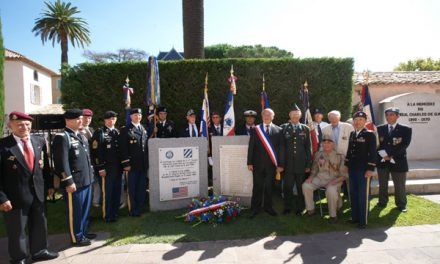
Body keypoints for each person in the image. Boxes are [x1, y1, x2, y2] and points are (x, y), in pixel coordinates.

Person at [0, 112, 59, 263]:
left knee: (40, 224)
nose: (23, 127)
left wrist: (50, 184)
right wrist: (2, 198)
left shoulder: (38, 140)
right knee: (17, 229)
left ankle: (40, 251)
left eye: (27, 124)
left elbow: (45, 167)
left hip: (38, 192)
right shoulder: (3, 145)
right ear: (10, 126)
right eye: (19, 124)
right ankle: (19, 257)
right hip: (15, 196)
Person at [53, 109, 95, 246]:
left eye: (81, 118)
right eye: (78, 119)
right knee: (75, 211)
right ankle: (76, 236)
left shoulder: (80, 135)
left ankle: (83, 231)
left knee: (85, 209)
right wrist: (68, 181)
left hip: (86, 179)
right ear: (68, 121)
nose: (81, 121)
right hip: (74, 182)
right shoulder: (62, 137)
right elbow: (61, 162)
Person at [247, 108, 284, 218]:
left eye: (269, 115)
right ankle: (255, 209)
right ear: (262, 116)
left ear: (273, 116)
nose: (266, 116)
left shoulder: (279, 130)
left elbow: (281, 149)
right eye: (264, 115)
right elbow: (251, 147)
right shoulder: (255, 129)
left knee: (269, 187)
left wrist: (281, 165)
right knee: (257, 187)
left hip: (272, 165)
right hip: (257, 164)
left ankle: (268, 208)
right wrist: (249, 162)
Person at [302, 135, 348, 223]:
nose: (326, 144)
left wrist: (333, 182)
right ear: (322, 144)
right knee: (306, 186)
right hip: (320, 178)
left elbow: (344, 175)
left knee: (330, 191)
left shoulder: (339, 156)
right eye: (324, 142)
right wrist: (310, 178)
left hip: (335, 179)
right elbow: (314, 169)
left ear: (333, 144)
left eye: (329, 142)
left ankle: (333, 215)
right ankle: (310, 209)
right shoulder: (318, 154)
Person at [376, 107, 412, 212]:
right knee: (382, 184)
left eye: (392, 114)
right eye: (387, 114)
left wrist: (391, 155)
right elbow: (377, 144)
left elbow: (404, 145)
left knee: (399, 185)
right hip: (382, 160)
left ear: (397, 116)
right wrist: (383, 155)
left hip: (398, 161)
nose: (388, 116)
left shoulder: (406, 129)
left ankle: (401, 204)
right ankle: (382, 202)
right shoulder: (379, 128)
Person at [345, 111, 377, 229]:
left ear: (365, 122)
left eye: (360, 120)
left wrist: (370, 168)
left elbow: (373, 153)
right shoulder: (353, 134)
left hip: (364, 170)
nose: (358, 122)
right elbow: (350, 150)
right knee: (353, 193)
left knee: (363, 195)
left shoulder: (370, 134)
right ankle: (355, 217)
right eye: (356, 120)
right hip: (352, 169)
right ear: (353, 121)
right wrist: (347, 163)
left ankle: (363, 220)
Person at [280, 105, 312, 216]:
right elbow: (281, 147)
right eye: (293, 114)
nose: (295, 116)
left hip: (301, 164)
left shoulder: (305, 129)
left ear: (300, 116)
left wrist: (308, 164)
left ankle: (300, 208)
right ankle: (287, 207)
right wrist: (281, 163)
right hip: (287, 164)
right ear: (289, 115)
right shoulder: (283, 128)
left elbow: (308, 148)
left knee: (300, 187)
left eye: (297, 114)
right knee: (287, 187)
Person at [91, 111, 122, 222]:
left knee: (116, 191)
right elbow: (95, 152)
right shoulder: (100, 133)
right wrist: (100, 168)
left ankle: (115, 213)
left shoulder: (117, 132)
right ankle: (107, 215)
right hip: (106, 169)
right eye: (109, 119)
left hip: (118, 168)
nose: (111, 121)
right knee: (107, 193)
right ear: (104, 120)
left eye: (113, 118)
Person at [119, 108, 149, 217]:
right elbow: (123, 149)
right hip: (132, 166)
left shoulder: (144, 129)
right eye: (135, 115)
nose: (138, 117)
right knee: (132, 188)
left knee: (141, 188)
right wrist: (126, 164)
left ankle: (139, 208)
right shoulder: (126, 130)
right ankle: (133, 209)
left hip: (143, 165)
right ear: (131, 116)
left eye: (140, 115)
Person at [322, 110, 354, 199]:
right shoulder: (325, 129)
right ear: (328, 118)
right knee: (335, 181)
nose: (333, 118)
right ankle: (337, 203)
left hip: (347, 158)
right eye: (331, 117)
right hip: (333, 159)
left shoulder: (348, 127)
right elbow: (323, 145)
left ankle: (352, 202)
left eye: (335, 116)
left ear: (339, 117)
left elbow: (353, 143)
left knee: (349, 180)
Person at [80, 108, 100, 208]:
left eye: (89, 118)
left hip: (94, 160)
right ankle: (87, 201)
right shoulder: (78, 131)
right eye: (85, 118)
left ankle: (95, 201)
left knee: (96, 181)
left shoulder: (92, 130)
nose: (87, 120)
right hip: (84, 161)